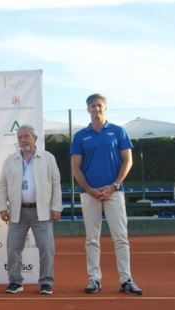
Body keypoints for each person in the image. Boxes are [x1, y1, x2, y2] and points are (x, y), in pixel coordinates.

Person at [71, 93, 142, 295]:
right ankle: (94, 279)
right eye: (92, 106)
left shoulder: (118, 132)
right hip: (89, 194)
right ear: (88, 109)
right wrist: (90, 189)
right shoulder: (80, 136)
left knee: (121, 238)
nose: (96, 109)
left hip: (114, 193)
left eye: (99, 105)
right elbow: (76, 167)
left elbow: (128, 161)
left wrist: (114, 185)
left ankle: (126, 280)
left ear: (106, 107)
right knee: (92, 239)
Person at [0, 125, 62, 295]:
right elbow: (2, 185)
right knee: (13, 248)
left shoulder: (48, 158)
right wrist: (2, 207)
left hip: (42, 211)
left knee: (46, 248)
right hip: (17, 211)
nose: (23, 140)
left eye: (26, 136)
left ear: (35, 139)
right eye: (19, 137)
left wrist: (56, 207)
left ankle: (46, 282)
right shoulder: (10, 160)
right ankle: (15, 282)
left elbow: (56, 183)